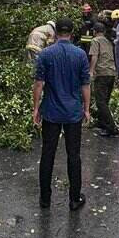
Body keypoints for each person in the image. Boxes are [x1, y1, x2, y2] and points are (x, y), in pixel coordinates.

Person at [33, 18, 90, 211]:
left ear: (55, 33)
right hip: (73, 112)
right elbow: (85, 85)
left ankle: (45, 199)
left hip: (51, 111)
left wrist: (35, 108)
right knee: (73, 155)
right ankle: (74, 198)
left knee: (47, 153)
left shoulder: (46, 55)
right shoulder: (80, 55)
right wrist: (87, 108)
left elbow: (39, 84)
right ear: (72, 33)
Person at [88, 22, 119, 136]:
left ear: (94, 31)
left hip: (102, 73)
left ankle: (112, 128)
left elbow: (94, 56)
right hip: (111, 73)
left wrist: (91, 71)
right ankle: (102, 122)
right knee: (105, 100)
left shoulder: (95, 41)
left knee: (100, 102)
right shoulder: (108, 41)